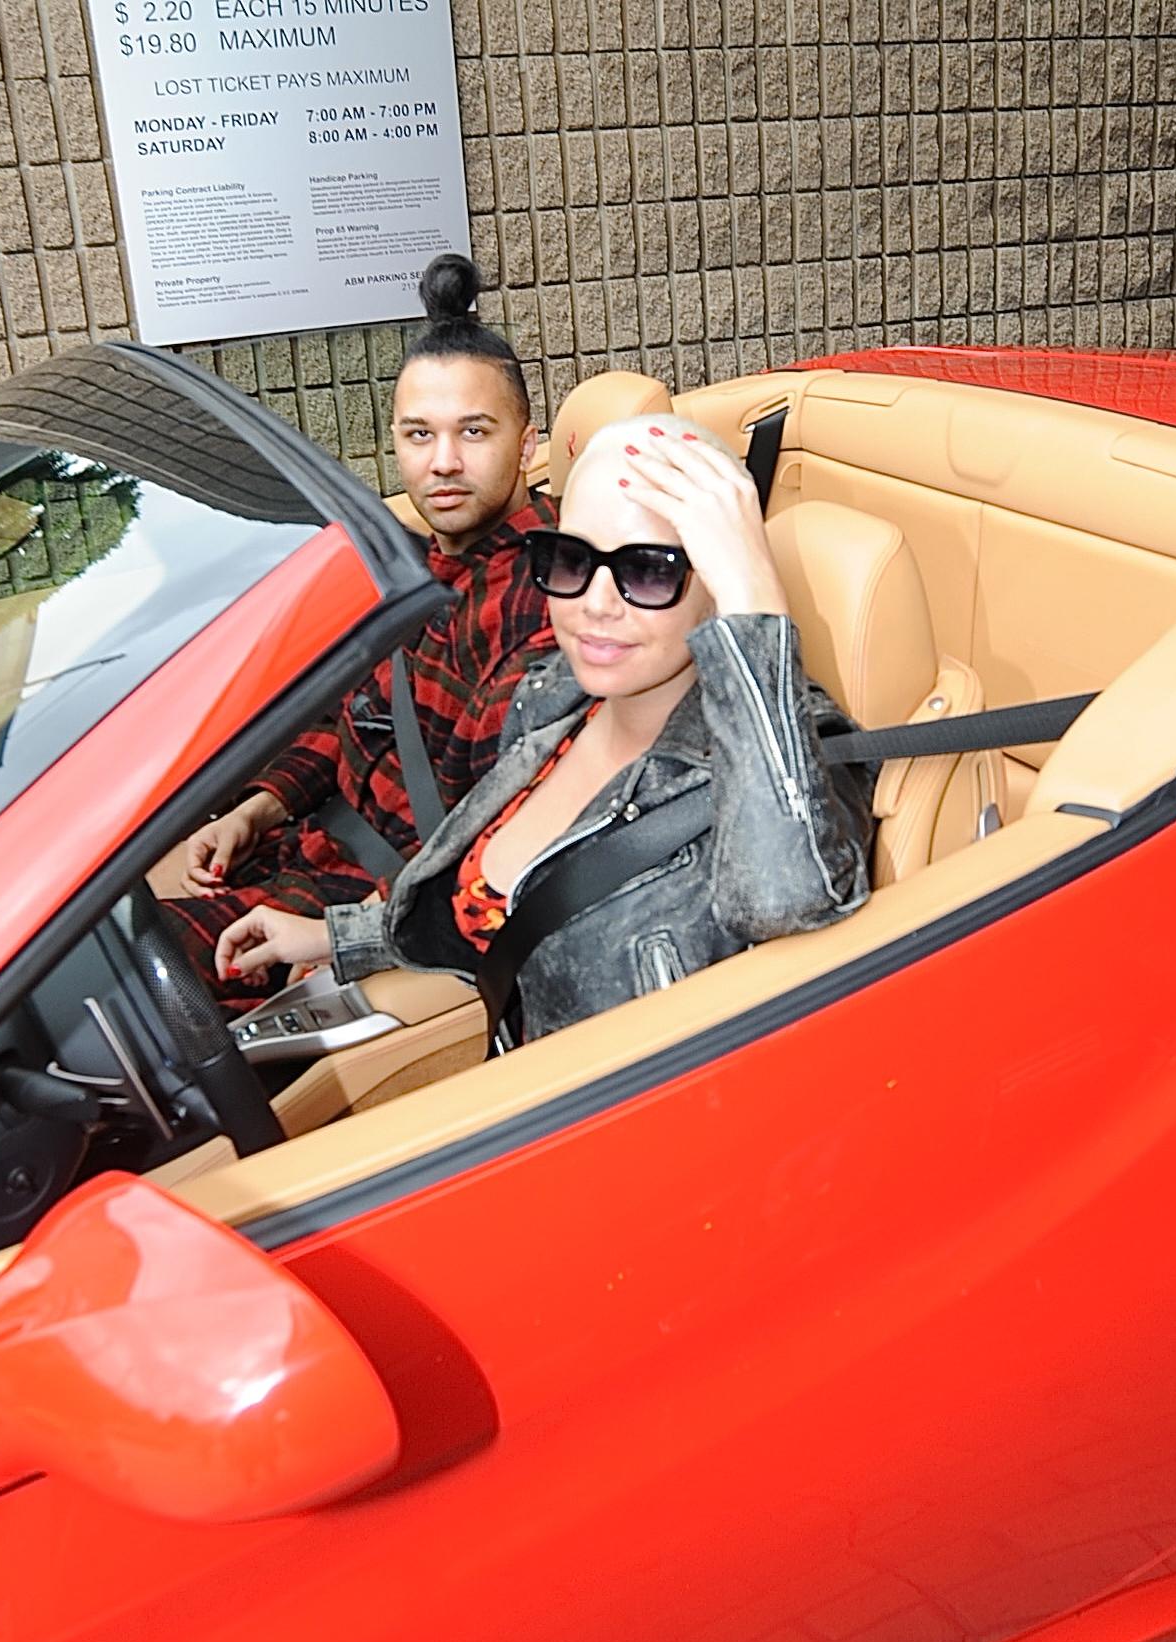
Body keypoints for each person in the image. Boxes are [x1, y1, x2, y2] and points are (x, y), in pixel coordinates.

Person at [213, 417, 873, 1047]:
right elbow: (480, 909)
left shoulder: (791, 757)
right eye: (569, 558)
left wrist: (756, 602)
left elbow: (789, 901)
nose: (595, 603)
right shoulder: (552, 696)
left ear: (718, 582)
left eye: (649, 568)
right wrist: (336, 937)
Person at [160, 252, 557, 1001]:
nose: (442, 462)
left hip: (375, 900)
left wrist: (339, 936)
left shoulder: (539, 600)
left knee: (111, 991)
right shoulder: (411, 564)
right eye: (418, 435)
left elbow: (495, 836)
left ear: (527, 445)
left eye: (473, 432)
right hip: (302, 848)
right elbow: (359, 713)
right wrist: (258, 807)